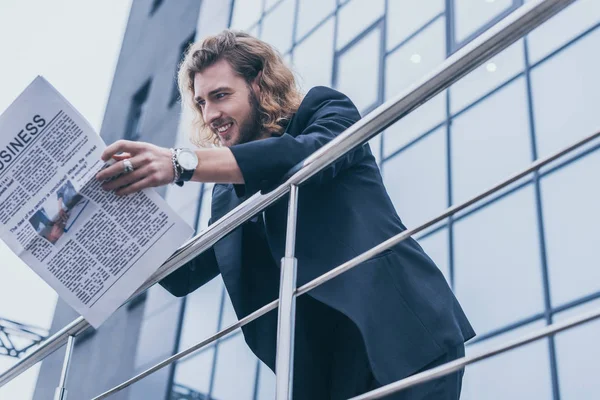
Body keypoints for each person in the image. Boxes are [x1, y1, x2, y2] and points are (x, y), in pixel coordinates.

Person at [95, 30, 475, 399]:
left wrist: (182, 163)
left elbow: (304, 158)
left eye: (221, 95)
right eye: (201, 103)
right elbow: (186, 273)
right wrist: (104, 228)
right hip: (324, 371)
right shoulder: (226, 192)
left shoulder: (324, 110)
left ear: (259, 84)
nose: (210, 114)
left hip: (399, 336)